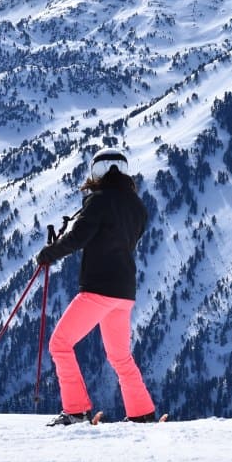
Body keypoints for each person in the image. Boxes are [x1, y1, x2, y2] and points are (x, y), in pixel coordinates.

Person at [37, 148, 157, 425]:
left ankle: (76, 410)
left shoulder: (98, 201)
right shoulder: (138, 207)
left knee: (60, 344)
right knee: (119, 356)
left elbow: (79, 237)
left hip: (98, 288)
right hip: (124, 292)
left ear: (96, 173)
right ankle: (142, 414)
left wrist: (49, 253)